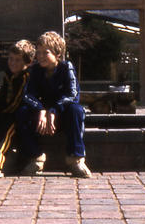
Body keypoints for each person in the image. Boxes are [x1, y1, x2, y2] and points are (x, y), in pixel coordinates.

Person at [17, 31, 91, 178]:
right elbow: (27, 95)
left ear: (58, 54)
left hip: (62, 115)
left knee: (76, 110)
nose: (41, 56)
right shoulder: (35, 70)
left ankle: (75, 159)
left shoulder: (66, 67)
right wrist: (41, 110)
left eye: (46, 52)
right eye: (38, 52)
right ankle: (36, 157)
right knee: (22, 112)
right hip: (42, 118)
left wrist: (54, 109)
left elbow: (73, 94)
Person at [0, 39, 35, 179]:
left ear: (27, 62)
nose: (12, 63)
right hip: (6, 113)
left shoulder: (27, 77)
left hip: (19, 116)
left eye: (17, 60)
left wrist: (3, 112)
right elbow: (2, 95)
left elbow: (19, 99)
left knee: (5, 132)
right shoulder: (8, 75)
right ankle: (6, 159)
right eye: (11, 59)